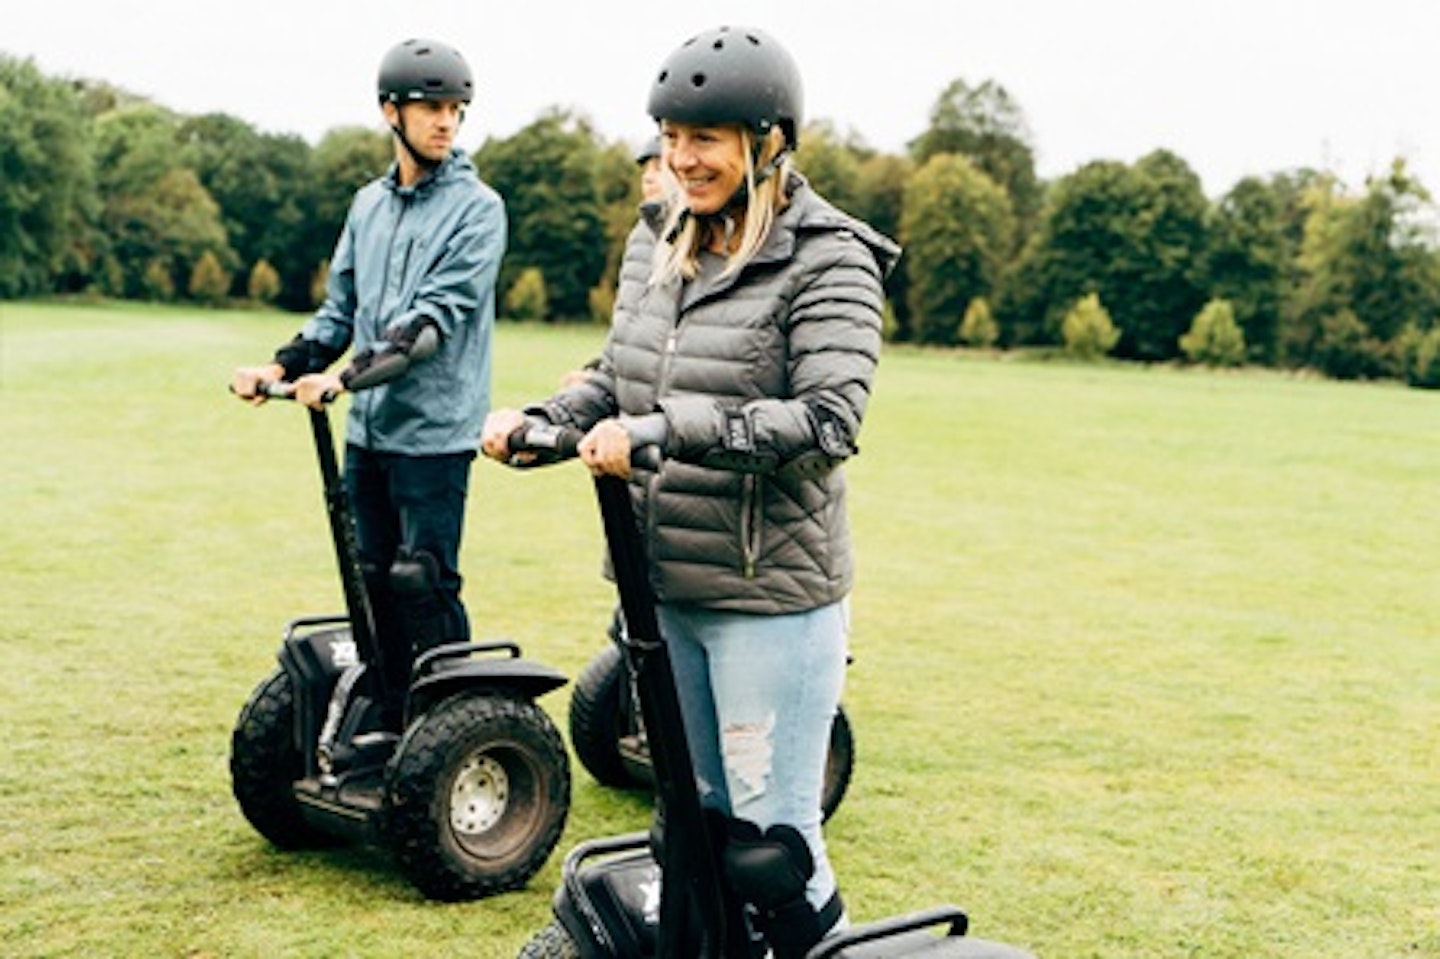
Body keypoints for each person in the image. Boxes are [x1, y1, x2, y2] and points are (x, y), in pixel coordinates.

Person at [482, 25, 899, 959]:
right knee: (691, 829)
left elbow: (829, 420)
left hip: (766, 601)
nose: (681, 157)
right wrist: (545, 418)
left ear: (769, 140)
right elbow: (621, 377)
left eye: (705, 137)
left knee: (771, 849)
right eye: (671, 134)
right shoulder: (658, 237)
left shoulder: (830, 257)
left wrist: (671, 430)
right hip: (662, 584)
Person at [231, 38, 506, 728]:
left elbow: (427, 327)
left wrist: (343, 378)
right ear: (392, 112)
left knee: (423, 580)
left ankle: (453, 725)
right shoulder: (368, 207)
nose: (446, 122)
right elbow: (339, 313)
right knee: (371, 577)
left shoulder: (478, 209)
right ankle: (388, 715)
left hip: (434, 434)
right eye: (431, 108)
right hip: (370, 435)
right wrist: (282, 367)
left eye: (456, 110)